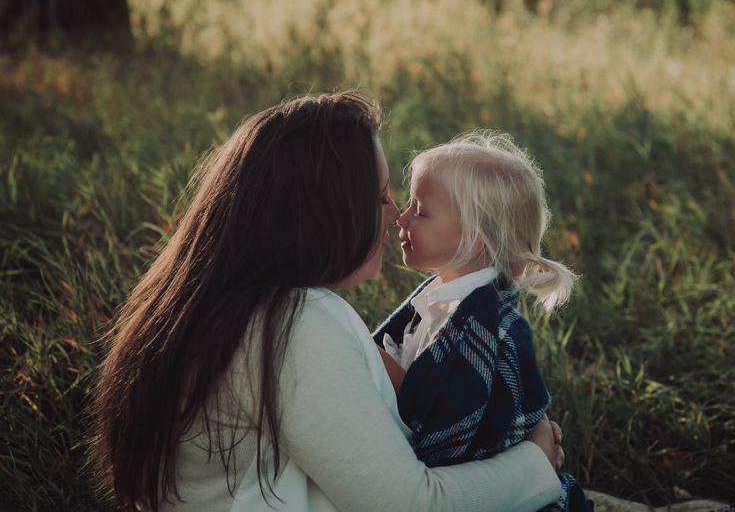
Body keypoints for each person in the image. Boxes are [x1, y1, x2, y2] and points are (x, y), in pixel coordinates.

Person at [92, 91, 565, 512]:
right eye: (380, 197)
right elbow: (410, 503)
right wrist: (537, 461)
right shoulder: (293, 327)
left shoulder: (222, 298)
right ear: (324, 211)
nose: (395, 214)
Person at [373, 131, 590, 512]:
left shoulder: (490, 324)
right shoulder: (450, 295)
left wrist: (364, 350)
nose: (400, 217)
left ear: (472, 240)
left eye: (420, 211)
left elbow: (433, 410)